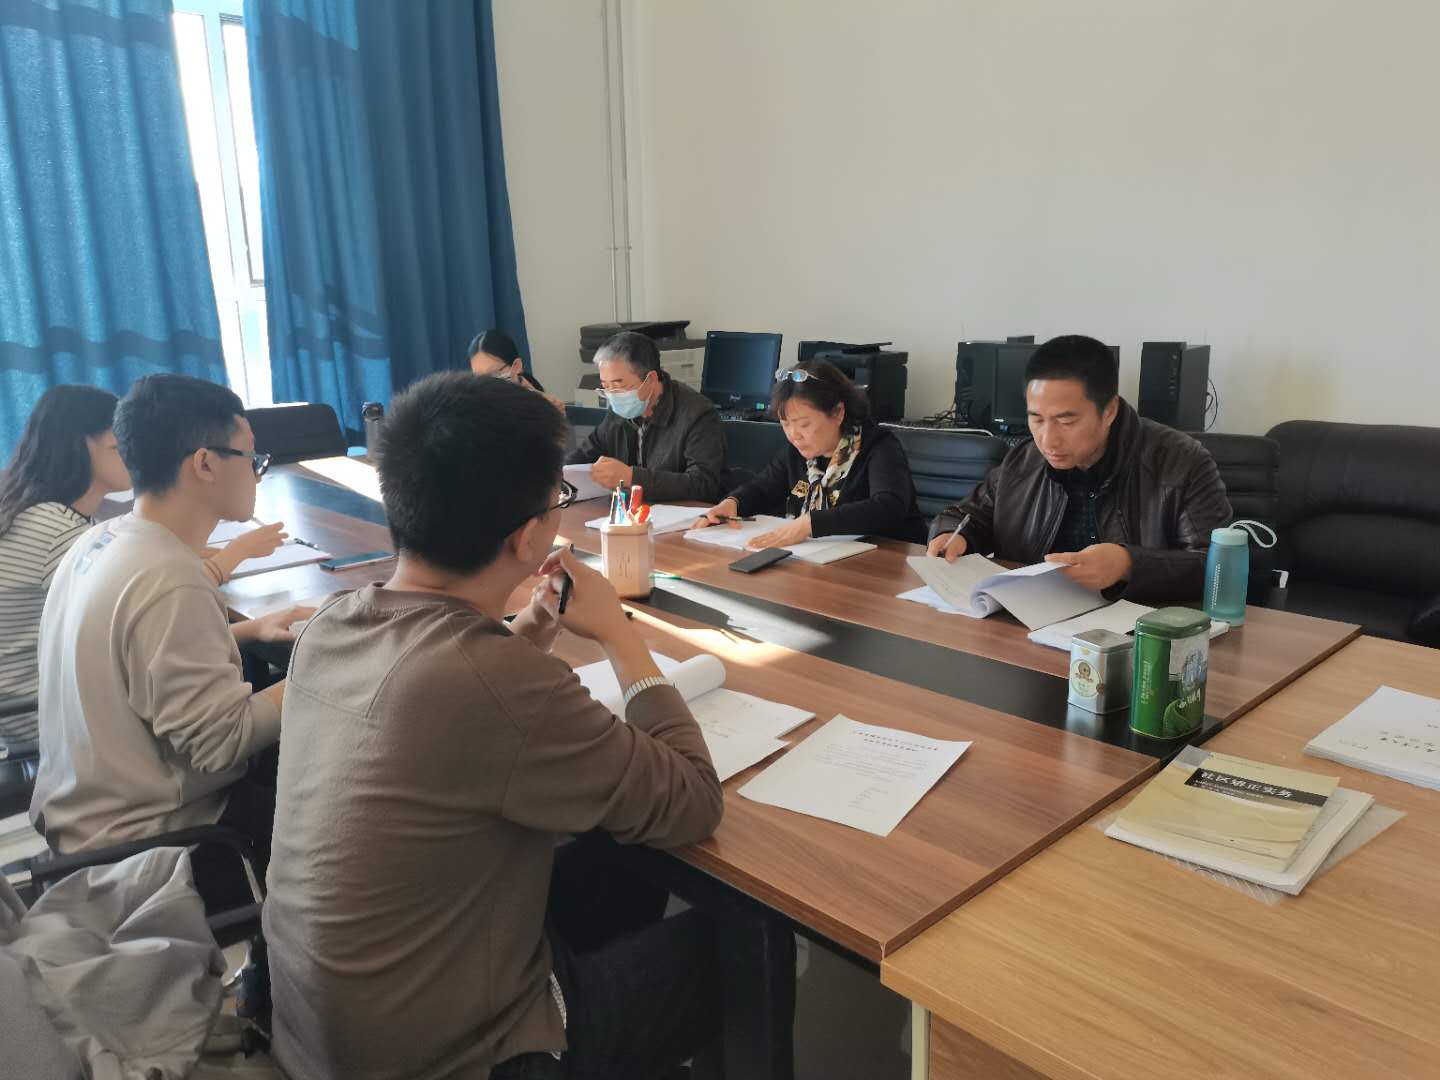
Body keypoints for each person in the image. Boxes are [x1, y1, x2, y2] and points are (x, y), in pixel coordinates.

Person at [265, 372, 728, 1079]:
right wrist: (618, 634)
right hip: (449, 1057)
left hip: (323, 1029)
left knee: (612, 862)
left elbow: (456, 692)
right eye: (557, 500)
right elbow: (693, 801)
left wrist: (534, 624)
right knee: (736, 944)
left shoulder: (335, 623)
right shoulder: (492, 682)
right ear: (527, 536)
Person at [30, 375, 311, 886]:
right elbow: (223, 742)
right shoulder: (170, 577)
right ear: (204, 464)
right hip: (154, 843)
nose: (257, 473)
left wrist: (245, 632)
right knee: (339, 804)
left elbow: (127, 662)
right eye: (252, 458)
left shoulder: (100, 540)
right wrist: (324, 662)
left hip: (83, 819)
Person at [926, 334, 1232, 601]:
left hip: (1138, 630)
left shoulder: (1180, 461)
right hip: (1035, 620)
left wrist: (1129, 564)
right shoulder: (1025, 460)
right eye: (1036, 419)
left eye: (1066, 421)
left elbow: (1217, 566)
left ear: (1109, 410)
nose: (1048, 440)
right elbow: (968, 515)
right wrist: (952, 534)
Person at [0, 387, 128, 755]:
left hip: (19, 706)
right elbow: (130, 636)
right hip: (41, 719)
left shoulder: (32, 508)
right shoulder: (61, 534)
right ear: (84, 445)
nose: (134, 455)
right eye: (120, 446)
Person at [694, 359, 928, 546]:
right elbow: (763, 487)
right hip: (824, 562)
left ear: (838, 413)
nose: (794, 435)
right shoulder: (798, 452)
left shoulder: (879, 447)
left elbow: (887, 507)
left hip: (887, 565)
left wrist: (810, 523)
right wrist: (733, 503)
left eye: (804, 424)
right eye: (786, 424)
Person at [567, 330, 726, 501]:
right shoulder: (620, 410)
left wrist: (632, 477)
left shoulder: (697, 413)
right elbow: (585, 455)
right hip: (631, 510)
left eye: (618, 386)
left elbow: (704, 484)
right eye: (605, 387)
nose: (612, 395)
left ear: (650, 380)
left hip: (680, 512)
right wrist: (558, 475)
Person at [468, 327, 564, 408]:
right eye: (479, 377)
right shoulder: (474, 405)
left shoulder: (544, 406)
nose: (485, 384)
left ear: (517, 366)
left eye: (494, 373)